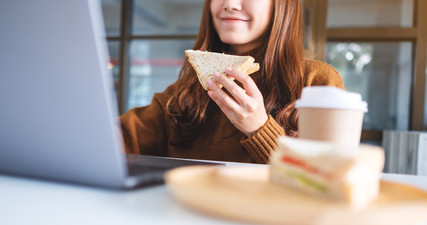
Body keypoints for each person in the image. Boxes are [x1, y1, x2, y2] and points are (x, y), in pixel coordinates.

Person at [119, 0, 344, 164]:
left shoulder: (317, 82)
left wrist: (259, 129)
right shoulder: (186, 91)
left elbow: (325, 181)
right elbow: (118, 137)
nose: (230, 4)